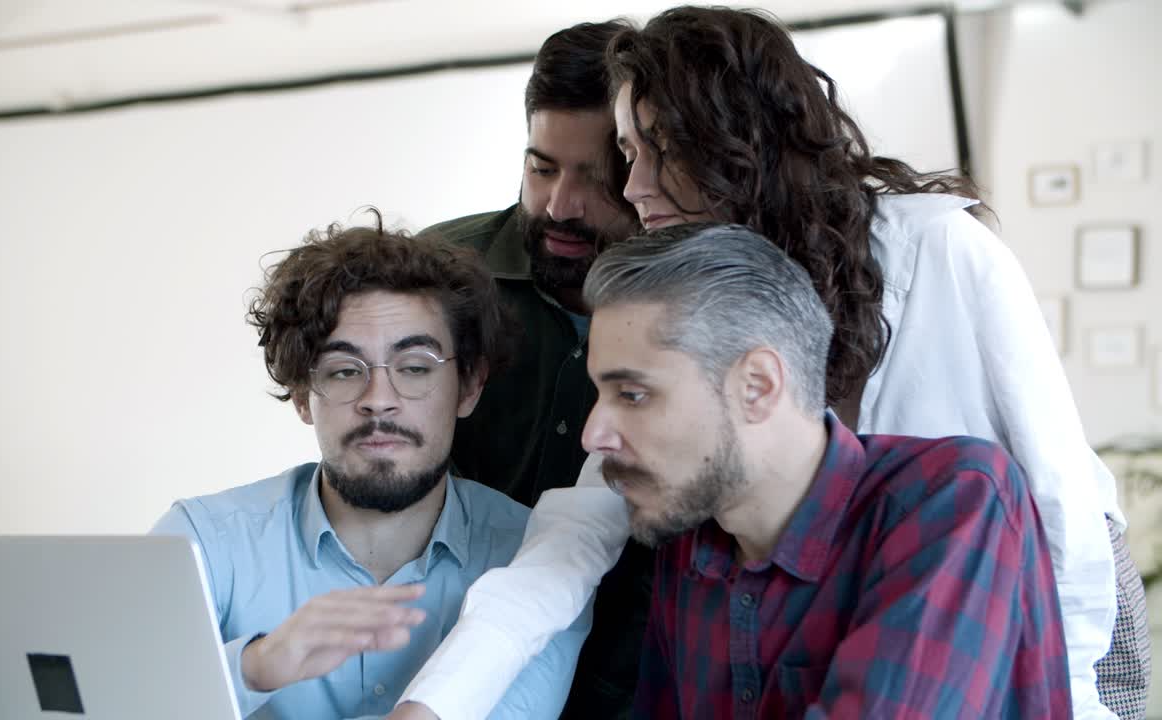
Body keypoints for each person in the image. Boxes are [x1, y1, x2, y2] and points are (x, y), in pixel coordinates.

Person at [398, 6, 1146, 720]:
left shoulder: (938, 251)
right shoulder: (690, 289)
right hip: (832, 585)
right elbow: (574, 536)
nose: (633, 188)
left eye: (661, 149)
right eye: (629, 154)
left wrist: (1070, 691)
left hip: (1044, 588)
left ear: (738, 141)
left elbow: (1059, 501)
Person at [583, 223, 1072, 718]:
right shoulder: (690, 543)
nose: (593, 435)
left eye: (632, 395)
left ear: (757, 385)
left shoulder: (955, 497)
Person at [151, 217, 589, 720]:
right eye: (343, 371)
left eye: (415, 367)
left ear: (469, 386)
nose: (378, 401)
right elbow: (104, 700)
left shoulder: (537, 558)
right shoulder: (199, 545)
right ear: (301, 394)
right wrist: (252, 667)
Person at [395, 21, 646, 720]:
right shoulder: (438, 274)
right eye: (541, 168)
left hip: (628, 672)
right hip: (447, 659)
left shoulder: (678, 298)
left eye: (597, 179)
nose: (561, 205)